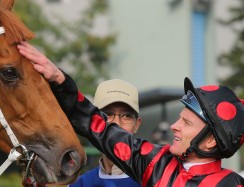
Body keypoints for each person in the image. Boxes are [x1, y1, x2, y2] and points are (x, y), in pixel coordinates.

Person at [17, 41, 244, 186]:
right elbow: (97, 126)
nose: (174, 126)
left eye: (186, 122)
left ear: (211, 140)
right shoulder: (155, 163)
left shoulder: (232, 184)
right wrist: (60, 80)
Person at [69, 79, 142, 187]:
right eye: (107, 114)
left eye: (127, 116)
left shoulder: (157, 181)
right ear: (93, 121)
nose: (116, 124)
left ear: (137, 124)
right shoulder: (80, 184)